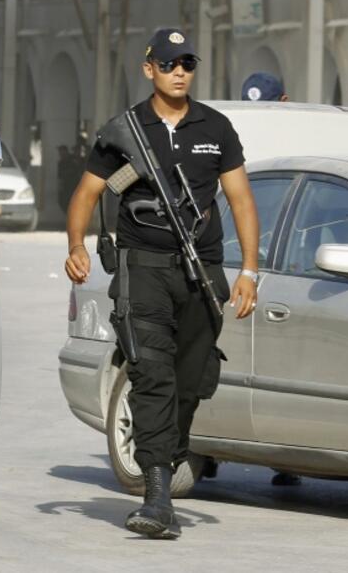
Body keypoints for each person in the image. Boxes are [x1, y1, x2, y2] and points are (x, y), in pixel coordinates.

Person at [64, 28, 259, 540]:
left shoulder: (215, 127)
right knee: (151, 373)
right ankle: (156, 496)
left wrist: (249, 271)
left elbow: (241, 199)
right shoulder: (125, 130)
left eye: (187, 64)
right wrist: (77, 245)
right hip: (142, 268)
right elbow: (87, 194)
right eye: (169, 64)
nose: (179, 72)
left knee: (189, 381)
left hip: (202, 269)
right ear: (149, 69)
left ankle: (168, 466)